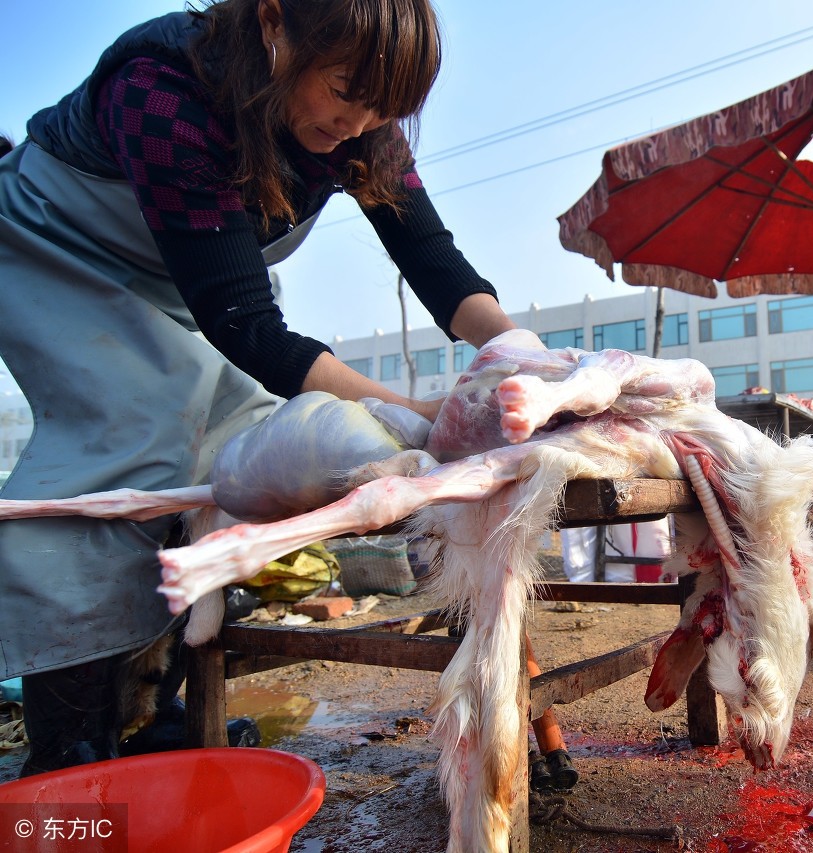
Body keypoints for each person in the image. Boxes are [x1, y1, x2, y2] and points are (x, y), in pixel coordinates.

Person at [0, 0, 522, 777]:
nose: (361, 120)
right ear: (274, 24)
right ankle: (67, 746)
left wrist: (521, 354)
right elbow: (245, 321)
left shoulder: (361, 121)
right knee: (127, 438)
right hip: (61, 244)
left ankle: (147, 706)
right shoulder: (162, 92)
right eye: (346, 91)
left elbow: (429, 253)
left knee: (233, 452)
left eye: (385, 107)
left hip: (180, 271)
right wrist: (411, 412)